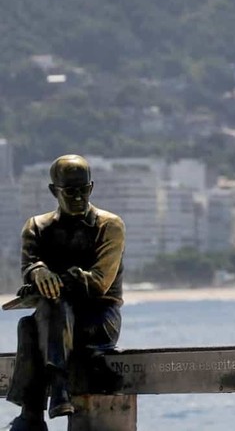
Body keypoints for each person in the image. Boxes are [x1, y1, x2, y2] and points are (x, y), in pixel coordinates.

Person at [5, 155, 125, 431]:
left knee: (36, 322)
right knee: (34, 320)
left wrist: (54, 281)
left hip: (98, 319)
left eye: (84, 190)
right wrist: (37, 272)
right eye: (70, 192)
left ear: (91, 188)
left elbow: (98, 284)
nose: (79, 197)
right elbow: (28, 267)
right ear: (53, 191)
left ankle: (32, 414)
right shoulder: (36, 227)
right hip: (55, 320)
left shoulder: (109, 226)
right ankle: (54, 392)